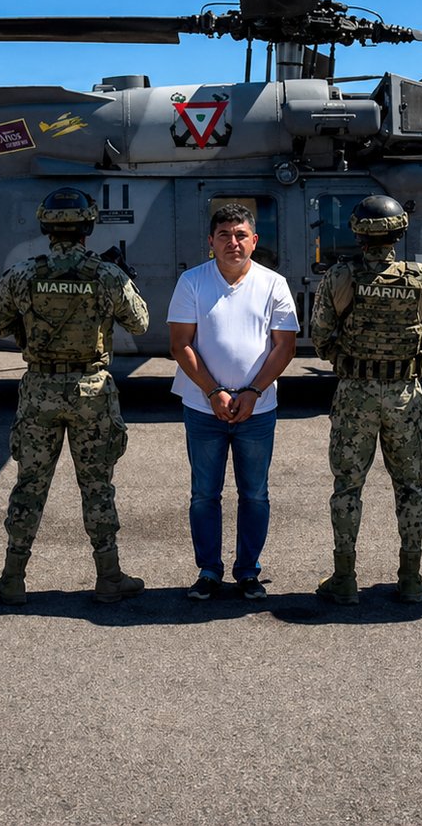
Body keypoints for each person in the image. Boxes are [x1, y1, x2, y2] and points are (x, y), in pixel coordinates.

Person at [0, 187, 150, 605]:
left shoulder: (22, 274)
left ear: (45, 226)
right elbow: (141, 323)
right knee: (97, 486)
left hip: (39, 390)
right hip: (91, 390)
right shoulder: (106, 275)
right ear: (88, 226)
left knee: (30, 485)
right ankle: (109, 577)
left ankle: (13, 578)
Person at [309, 195, 422, 605]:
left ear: (357, 233)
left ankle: (345, 578)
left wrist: (351, 359)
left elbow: (319, 338)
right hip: (405, 395)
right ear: (400, 232)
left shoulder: (339, 278)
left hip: (355, 396)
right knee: (410, 487)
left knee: (348, 487)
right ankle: (410, 579)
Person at [168, 203, 298, 601]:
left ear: (254, 241)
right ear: (211, 242)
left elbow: (285, 346)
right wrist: (213, 392)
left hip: (257, 409)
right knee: (204, 494)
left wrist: (253, 391)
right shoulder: (192, 282)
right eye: (224, 235)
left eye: (241, 235)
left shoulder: (273, 284)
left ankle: (247, 572)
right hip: (202, 406)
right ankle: (208, 570)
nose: (233, 243)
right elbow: (180, 344)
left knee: (254, 494)